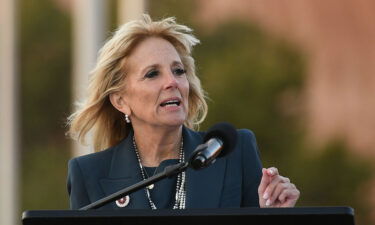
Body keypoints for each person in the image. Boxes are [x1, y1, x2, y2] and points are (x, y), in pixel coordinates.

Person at [66, 14, 300, 210]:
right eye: (152, 74)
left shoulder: (234, 153)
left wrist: (274, 216)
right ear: (120, 101)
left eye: (178, 71)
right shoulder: (88, 175)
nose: (172, 82)